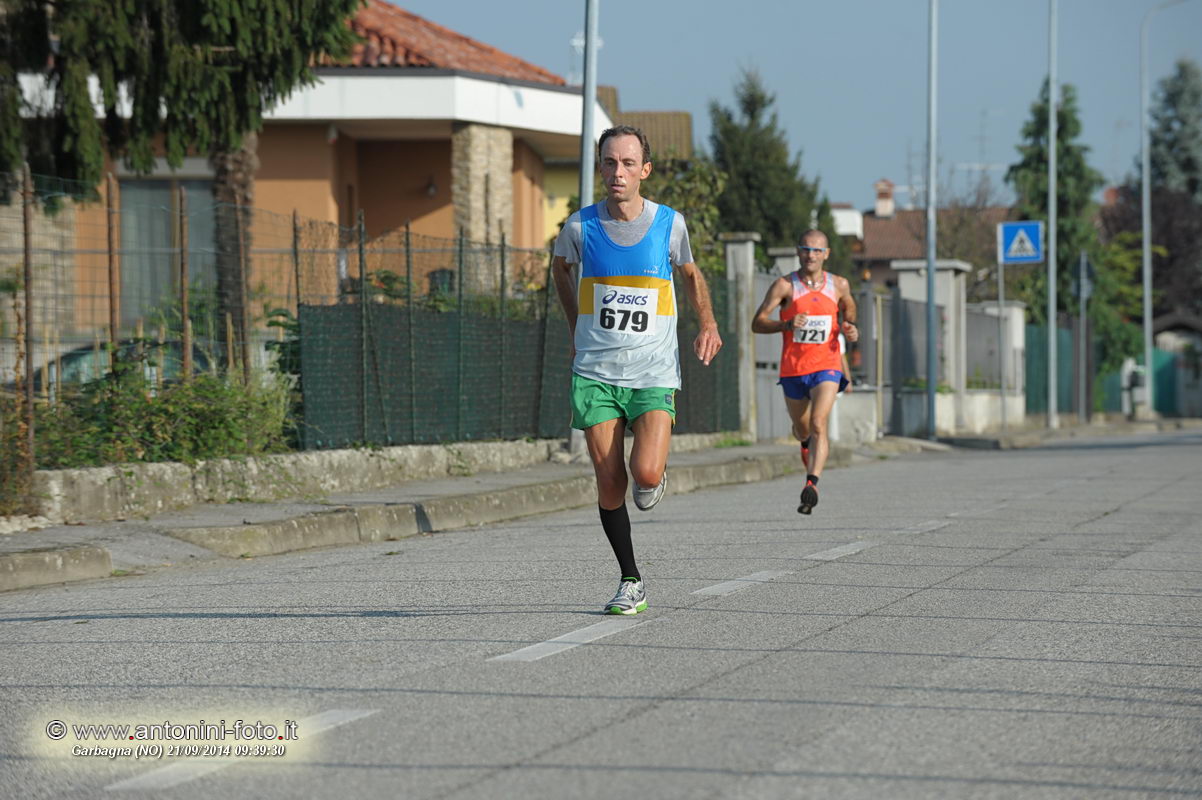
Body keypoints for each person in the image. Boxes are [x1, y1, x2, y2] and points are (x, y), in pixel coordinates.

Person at [551, 125, 722, 615]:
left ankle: (654, 473)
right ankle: (631, 580)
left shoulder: (670, 224)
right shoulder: (579, 227)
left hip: (652, 370)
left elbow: (690, 274)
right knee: (609, 483)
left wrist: (707, 322)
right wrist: (575, 327)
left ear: (644, 170)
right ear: (600, 168)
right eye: (609, 163)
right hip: (596, 371)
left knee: (643, 474)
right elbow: (559, 268)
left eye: (628, 163)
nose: (618, 172)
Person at [751, 230, 858, 515]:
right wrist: (786, 324)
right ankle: (804, 442)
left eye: (817, 250)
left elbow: (849, 309)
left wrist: (850, 326)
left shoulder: (839, 284)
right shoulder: (785, 286)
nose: (811, 255)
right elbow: (757, 323)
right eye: (806, 249)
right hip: (794, 369)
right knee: (803, 428)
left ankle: (812, 483)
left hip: (827, 365)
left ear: (827, 254)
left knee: (819, 423)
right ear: (798, 251)